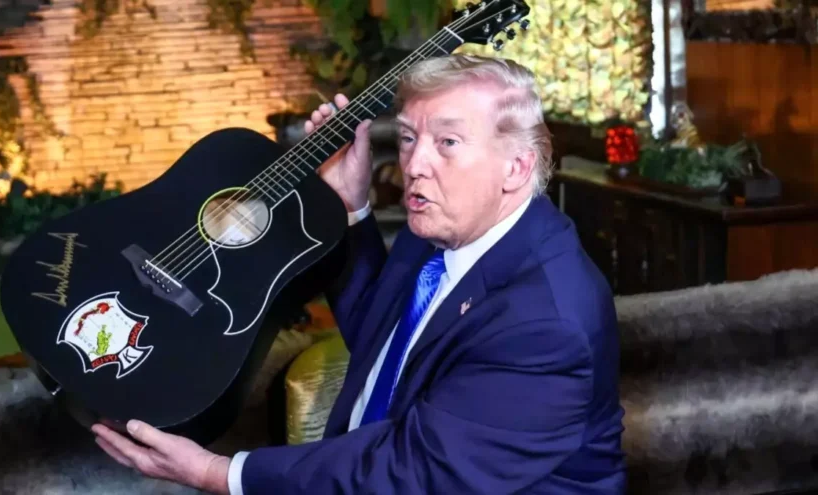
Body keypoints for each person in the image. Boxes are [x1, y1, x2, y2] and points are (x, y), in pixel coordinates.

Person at [92, 54, 627, 494]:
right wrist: (350, 205)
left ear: (516, 167)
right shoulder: (444, 227)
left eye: (448, 143)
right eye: (410, 138)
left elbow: (412, 471)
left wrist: (218, 473)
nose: (415, 165)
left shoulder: (545, 324)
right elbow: (381, 339)